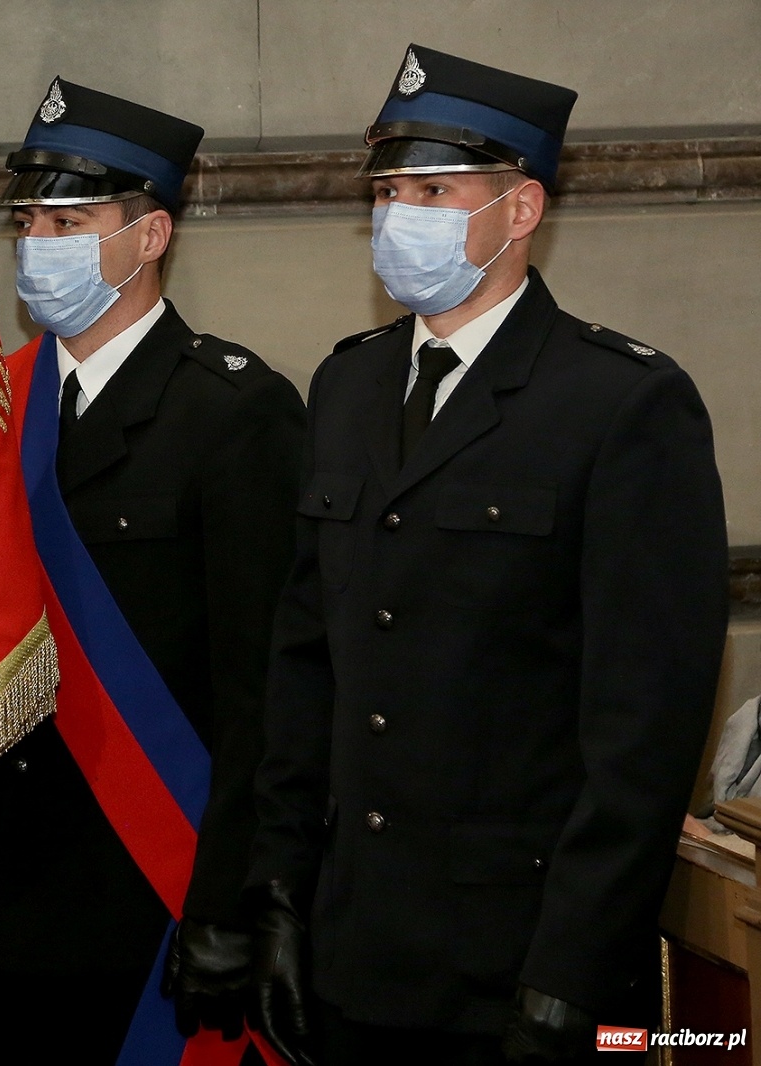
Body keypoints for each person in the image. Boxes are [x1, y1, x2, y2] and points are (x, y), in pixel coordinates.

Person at [173, 45, 730, 1065]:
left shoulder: (618, 403)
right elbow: (304, 674)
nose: (397, 216)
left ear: (518, 211)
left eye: (433, 189)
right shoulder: (349, 387)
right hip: (356, 946)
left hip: (521, 954)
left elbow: (640, 735)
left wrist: (571, 976)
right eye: (386, 190)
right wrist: (281, 899)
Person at [0, 77, 305, 1065]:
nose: (38, 241)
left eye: (69, 218)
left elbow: (264, 691)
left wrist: (234, 898)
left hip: (160, 886)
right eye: (27, 218)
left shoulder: (234, 413)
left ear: (149, 235)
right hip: (21, 896)